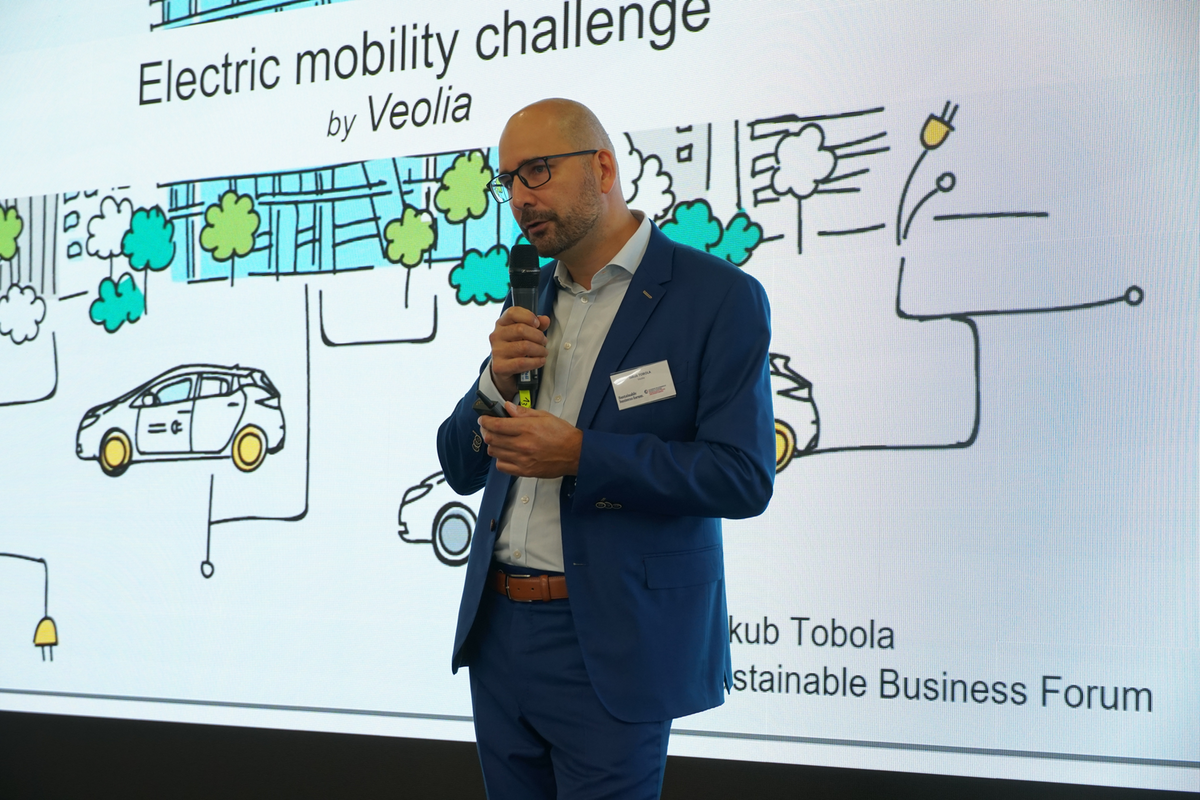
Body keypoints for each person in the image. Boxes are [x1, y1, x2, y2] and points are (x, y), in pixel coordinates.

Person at [436, 98, 775, 799]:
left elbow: (742, 476)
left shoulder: (717, 298)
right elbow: (460, 465)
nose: (520, 198)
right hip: (500, 633)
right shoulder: (530, 298)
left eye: (537, 170)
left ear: (603, 168)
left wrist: (582, 456)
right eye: (508, 180)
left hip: (612, 640)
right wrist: (493, 381)